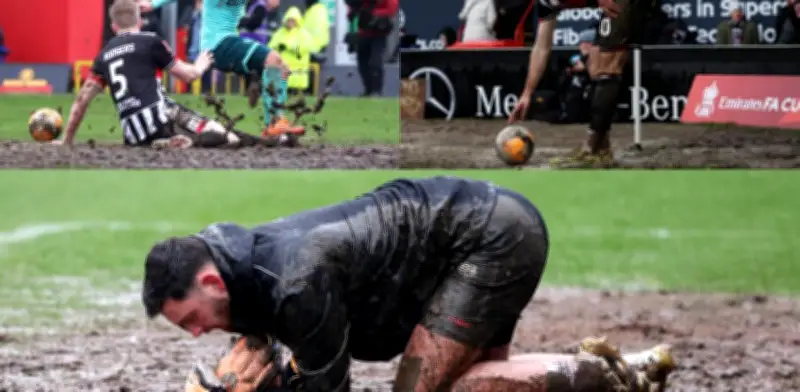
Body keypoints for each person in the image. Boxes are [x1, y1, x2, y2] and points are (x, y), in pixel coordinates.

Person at [142, 176, 677, 392]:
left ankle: (614, 378)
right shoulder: (235, 263)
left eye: (191, 319)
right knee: (475, 381)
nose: (195, 335)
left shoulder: (293, 281)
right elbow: (270, 339)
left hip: (489, 237)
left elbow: (329, 385)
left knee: (424, 389)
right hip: (464, 235)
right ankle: (625, 371)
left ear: (211, 281)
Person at [60, 0, 291, 149]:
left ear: (112, 25)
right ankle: (270, 126)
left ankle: (260, 96)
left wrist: (66, 140)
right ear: (140, 21)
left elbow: (82, 100)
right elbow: (187, 76)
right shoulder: (151, 42)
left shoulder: (103, 55)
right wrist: (200, 66)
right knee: (227, 137)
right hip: (166, 110)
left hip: (132, 133)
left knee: (279, 68)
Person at [508, 0, 658, 168]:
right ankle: (602, 148)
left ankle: (591, 149)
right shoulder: (545, 4)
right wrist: (527, 93)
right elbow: (542, 47)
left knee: (606, 62)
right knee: (594, 60)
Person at [140, 0, 306, 137]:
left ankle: (274, 123)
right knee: (274, 60)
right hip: (217, 45)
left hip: (229, 40)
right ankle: (274, 122)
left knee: (282, 68)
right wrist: (153, 4)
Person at [346, 0, 399, 97]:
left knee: (375, 62)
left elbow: (392, 9)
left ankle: (376, 90)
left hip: (379, 32)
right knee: (362, 62)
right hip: (363, 31)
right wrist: (354, 11)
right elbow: (352, 8)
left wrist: (374, 13)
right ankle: (368, 89)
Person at [268, 7, 315, 95]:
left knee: (296, 102)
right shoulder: (279, 33)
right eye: (288, 20)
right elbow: (271, 47)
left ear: (298, 21)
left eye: (293, 20)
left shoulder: (304, 34)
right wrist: (278, 47)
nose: (290, 22)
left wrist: (288, 47)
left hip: (298, 77)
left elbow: (301, 50)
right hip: (281, 74)